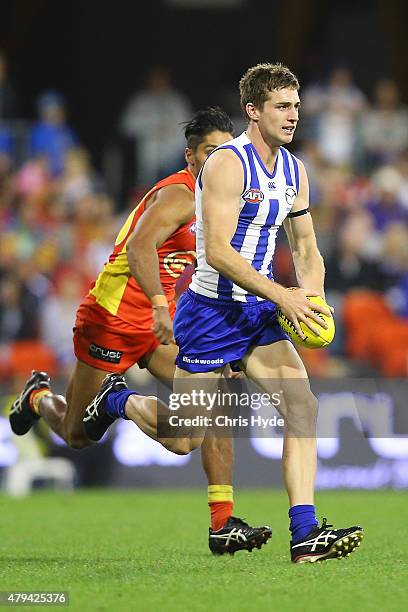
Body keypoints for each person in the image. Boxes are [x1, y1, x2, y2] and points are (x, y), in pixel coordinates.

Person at [80, 64, 365, 563]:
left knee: (303, 407)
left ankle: (305, 534)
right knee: (183, 437)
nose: (293, 115)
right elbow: (215, 251)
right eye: (281, 106)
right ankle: (117, 401)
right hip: (210, 312)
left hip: (256, 312)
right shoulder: (227, 164)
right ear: (252, 111)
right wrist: (284, 295)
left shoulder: (295, 171)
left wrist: (312, 300)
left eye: (296, 105)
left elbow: (305, 248)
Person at [10, 107, 271, 555]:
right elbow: (138, 247)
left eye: (226, 150)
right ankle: (39, 398)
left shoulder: (218, 200)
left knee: (213, 402)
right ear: (191, 156)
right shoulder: (181, 195)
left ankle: (222, 522)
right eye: (209, 151)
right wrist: (155, 304)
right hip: (114, 318)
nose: (219, 159)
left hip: (160, 326)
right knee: (76, 434)